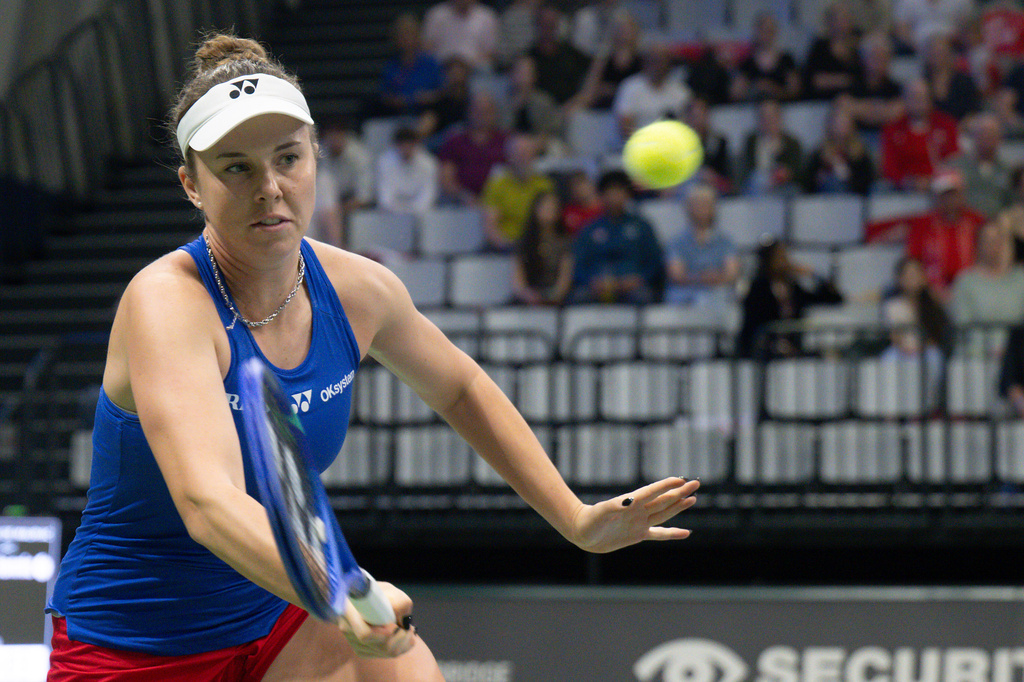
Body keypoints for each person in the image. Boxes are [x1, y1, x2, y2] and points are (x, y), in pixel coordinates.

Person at [46, 33, 700, 681]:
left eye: (287, 158)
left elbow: (460, 388)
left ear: (316, 161)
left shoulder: (360, 291)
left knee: (399, 659)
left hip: (278, 621)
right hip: (132, 644)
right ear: (192, 185)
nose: (270, 187)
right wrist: (338, 590)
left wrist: (576, 519)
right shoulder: (166, 304)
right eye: (236, 167)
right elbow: (208, 502)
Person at [570, 170, 665, 304]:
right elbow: (578, 264)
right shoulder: (590, 228)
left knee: (644, 297)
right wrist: (591, 282)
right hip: (597, 285)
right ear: (602, 195)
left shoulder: (641, 226)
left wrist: (639, 279)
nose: (614, 196)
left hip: (633, 284)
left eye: (619, 191)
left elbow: (654, 261)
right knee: (579, 298)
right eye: (610, 191)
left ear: (627, 195)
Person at [736, 240, 843, 358]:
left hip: (793, 351)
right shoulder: (759, 288)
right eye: (779, 257)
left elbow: (834, 299)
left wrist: (813, 275)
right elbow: (753, 326)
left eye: (785, 256)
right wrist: (775, 344)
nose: (784, 261)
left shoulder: (793, 288)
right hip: (763, 353)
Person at [906, 168, 986, 298]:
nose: (949, 199)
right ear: (936, 196)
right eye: (944, 194)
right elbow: (913, 264)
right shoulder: (922, 226)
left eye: (953, 193)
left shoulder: (977, 221)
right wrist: (930, 290)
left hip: (976, 291)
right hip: (931, 294)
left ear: (962, 193)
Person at [880, 256, 950, 402]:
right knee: (888, 358)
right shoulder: (893, 305)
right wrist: (908, 349)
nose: (912, 279)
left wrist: (921, 348)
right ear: (899, 279)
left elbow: (936, 335)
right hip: (903, 350)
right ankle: (891, 405)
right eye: (907, 275)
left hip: (926, 349)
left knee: (935, 357)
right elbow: (895, 337)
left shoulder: (932, 304)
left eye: (916, 274)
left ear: (923, 277)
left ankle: (930, 404)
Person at [950, 221, 1024, 354]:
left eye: (998, 240)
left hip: (1017, 354)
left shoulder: (1020, 279)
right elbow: (963, 325)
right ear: (978, 245)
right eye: (988, 241)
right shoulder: (965, 281)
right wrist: (991, 349)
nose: (993, 246)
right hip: (977, 356)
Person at [664, 184, 740, 307]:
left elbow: (732, 273)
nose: (702, 209)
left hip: (718, 295)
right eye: (698, 204)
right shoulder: (676, 242)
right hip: (685, 297)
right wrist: (701, 278)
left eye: (706, 204)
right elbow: (676, 275)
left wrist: (715, 278)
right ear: (688, 208)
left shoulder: (726, 241)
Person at [880, 78, 959, 191]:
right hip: (904, 190)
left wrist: (934, 180)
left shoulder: (946, 125)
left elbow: (954, 160)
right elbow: (889, 167)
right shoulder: (892, 130)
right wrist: (908, 182)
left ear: (930, 99)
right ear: (904, 100)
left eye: (922, 97)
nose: (918, 101)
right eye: (914, 97)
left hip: (941, 190)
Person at [481, 133, 556, 249]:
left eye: (527, 153)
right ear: (509, 157)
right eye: (518, 153)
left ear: (534, 156)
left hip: (536, 248)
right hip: (506, 247)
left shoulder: (544, 185)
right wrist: (506, 246)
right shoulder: (497, 185)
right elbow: (490, 226)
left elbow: (549, 223)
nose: (523, 158)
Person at [311, 118, 373, 247]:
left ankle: (338, 247)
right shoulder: (321, 151)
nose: (334, 141)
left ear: (345, 136)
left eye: (338, 136)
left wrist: (342, 208)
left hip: (353, 203)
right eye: (330, 136)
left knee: (332, 210)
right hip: (330, 202)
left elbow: (365, 196)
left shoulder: (360, 155)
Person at [437, 91, 508, 204]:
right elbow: (446, 178)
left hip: (500, 203)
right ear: (469, 112)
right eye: (477, 111)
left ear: (495, 113)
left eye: (487, 111)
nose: (482, 115)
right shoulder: (455, 140)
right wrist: (464, 197)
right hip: (461, 203)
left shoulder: (506, 141)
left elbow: (514, 175)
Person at [612, 39, 691, 138]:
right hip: (639, 148)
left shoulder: (681, 90)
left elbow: (689, 125)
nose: (657, 65)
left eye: (662, 60)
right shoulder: (630, 87)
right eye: (653, 60)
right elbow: (624, 127)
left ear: (669, 63)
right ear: (645, 61)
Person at [513, 190, 574, 305]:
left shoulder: (565, 242)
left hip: (556, 296)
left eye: (552, 207)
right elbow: (518, 282)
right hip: (529, 296)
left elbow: (564, 281)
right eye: (544, 206)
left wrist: (549, 296)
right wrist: (528, 295)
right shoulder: (524, 242)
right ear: (535, 209)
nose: (548, 210)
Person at [802, 100, 876, 194]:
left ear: (851, 126)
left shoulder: (860, 153)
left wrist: (848, 176)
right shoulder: (820, 152)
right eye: (837, 123)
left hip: (852, 198)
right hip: (824, 198)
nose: (840, 128)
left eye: (844, 123)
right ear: (830, 125)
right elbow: (807, 183)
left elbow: (867, 182)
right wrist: (818, 178)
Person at [377, 14, 443, 118]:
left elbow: (442, 92)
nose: (406, 39)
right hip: (397, 116)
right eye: (401, 35)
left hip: (426, 115)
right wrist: (396, 100)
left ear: (418, 36)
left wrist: (427, 97)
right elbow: (384, 95)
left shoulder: (430, 63)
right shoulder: (391, 66)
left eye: (409, 34)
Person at [947, 112, 1011, 218]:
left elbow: (1011, 203)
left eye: (992, 134)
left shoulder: (1007, 170)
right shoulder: (955, 166)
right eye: (983, 133)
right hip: (964, 226)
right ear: (973, 136)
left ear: (1000, 138)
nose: (987, 138)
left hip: (998, 226)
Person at [575, 10, 643, 110]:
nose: (623, 32)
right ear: (613, 33)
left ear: (635, 32)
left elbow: (646, 90)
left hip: (634, 109)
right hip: (604, 110)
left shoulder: (642, 61)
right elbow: (588, 92)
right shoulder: (602, 61)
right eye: (620, 29)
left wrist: (614, 90)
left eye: (627, 28)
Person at [529, 3, 592, 107]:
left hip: (572, 109)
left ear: (557, 24)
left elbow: (592, 74)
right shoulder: (529, 58)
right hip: (540, 112)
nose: (548, 28)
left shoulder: (573, 54)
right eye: (544, 24)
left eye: (551, 24)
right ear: (537, 24)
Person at [801, 1, 864, 101]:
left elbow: (864, 78)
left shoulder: (859, 45)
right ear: (828, 22)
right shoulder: (820, 47)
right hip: (822, 101)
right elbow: (814, 80)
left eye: (845, 19)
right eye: (837, 20)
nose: (842, 24)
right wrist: (844, 80)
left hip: (855, 99)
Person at [732, 11, 801, 102]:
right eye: (763, 31)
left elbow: (795, 91)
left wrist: (772, 89)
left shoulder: (786, 60)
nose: (766, 35)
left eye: (770, 31)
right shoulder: (747, 63)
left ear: (775, 32)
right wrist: (755, 89)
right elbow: (735, 94)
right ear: (757, 32)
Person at [741, 98, 803, 195]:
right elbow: (746, 171)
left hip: (783, 187)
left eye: (771, 116)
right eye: (763, 116)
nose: (768, 121)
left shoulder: (791, 143)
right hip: (756, 187)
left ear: (779, 117)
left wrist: (786, 173)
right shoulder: (751, 141)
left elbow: (798, 172)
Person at [848, 31, 904, 135]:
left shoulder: (897, 89)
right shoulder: (852, 87)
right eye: (874, 56)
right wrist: (884, 111)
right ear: (863, 59)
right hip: (858, 143)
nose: (879, 61)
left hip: (891, 142)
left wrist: (863, 109)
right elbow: (845, 106)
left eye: (883, 56)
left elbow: (897, 111)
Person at [375, 126, 439, 217]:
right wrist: (399, 211)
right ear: (395, 145)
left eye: (409, 144)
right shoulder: (384, 162)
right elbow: (385, 197)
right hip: (391, 214)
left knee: (431, 212)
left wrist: (413, 211)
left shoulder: (429, 163)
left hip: (421, 214)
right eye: (402, 145)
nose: (406, 148)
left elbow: (428, 194)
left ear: (416, 144)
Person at [422, 0, 500, 71]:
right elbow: (427, 46)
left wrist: (468, 66)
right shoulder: (436, 14)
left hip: (475, 70)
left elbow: (491, 52)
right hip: (442, 68)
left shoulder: (487, 16)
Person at [922, 31, 981, 121]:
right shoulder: (922, 83)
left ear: (949, 54)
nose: (937, 57)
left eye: (940, 53)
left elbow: (973, 110)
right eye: (933, 53)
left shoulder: (964, 81)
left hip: (961, 127)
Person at [683, 97, 732, 195]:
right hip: (686, 189)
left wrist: (713, 177)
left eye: (701, 114)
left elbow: (728, 180)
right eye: (693, 116)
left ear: (707, 116)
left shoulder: (719, 142)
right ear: (687, 119)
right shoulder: (678, 145)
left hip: (713, 189)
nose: (697, 120)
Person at [561, 169, 603, 236]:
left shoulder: (605, 208)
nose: (578, 189)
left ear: (591, 184)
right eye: (574, 186)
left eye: (581, 183)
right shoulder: (568, 212)